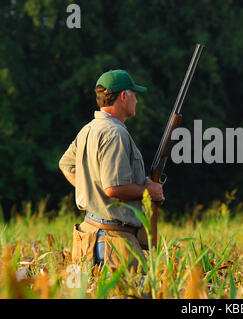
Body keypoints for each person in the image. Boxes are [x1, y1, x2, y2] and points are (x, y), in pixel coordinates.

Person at [59, 69, 164, 270]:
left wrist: (91, 190)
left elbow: (66, 165)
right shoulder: (115, 134)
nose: (137, 101)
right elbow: (114, 188)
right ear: (124, 96)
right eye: (134, 95)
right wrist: (149, 191)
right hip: (113, 245)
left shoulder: (89, 129)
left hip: (89, 235)